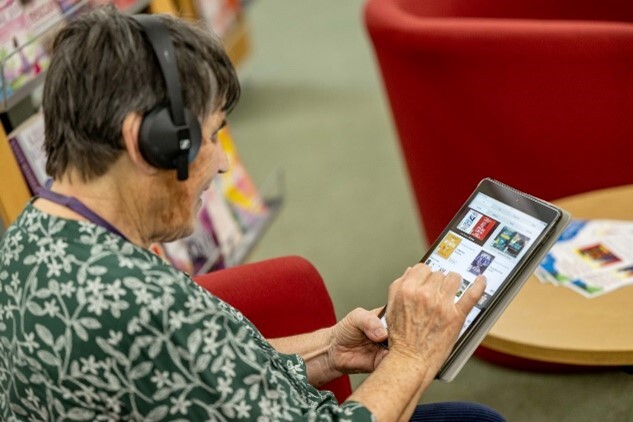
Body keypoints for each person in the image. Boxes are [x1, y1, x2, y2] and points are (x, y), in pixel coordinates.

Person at [0, 7, 505, 421]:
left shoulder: (34, 234)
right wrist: (415, 355)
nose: (220, 163)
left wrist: (329, 352)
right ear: (149, 142)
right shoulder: (139, 306)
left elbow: (201, 380)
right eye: (212, 134)